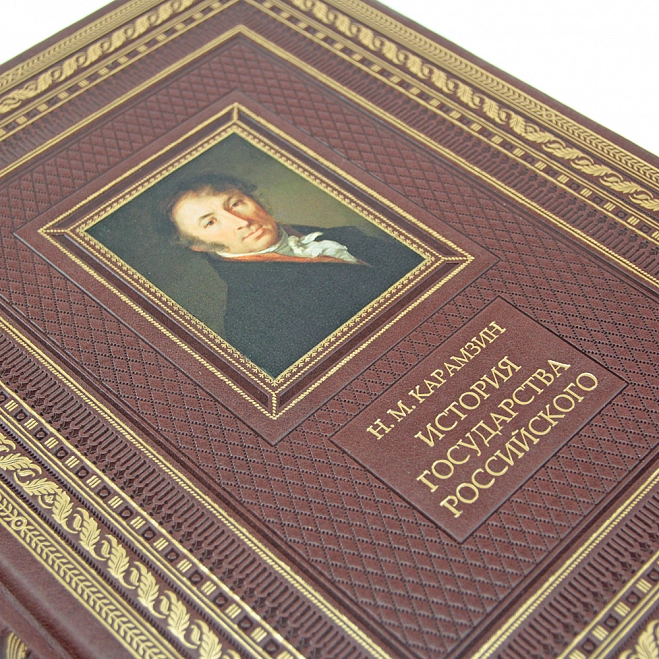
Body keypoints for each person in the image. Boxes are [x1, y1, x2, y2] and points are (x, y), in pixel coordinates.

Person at [166, 174, 423, 377]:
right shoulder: (250, 320)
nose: (240, 222)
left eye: (235, 203)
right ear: (197, 244)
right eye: (211, 222)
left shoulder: (335, 235)